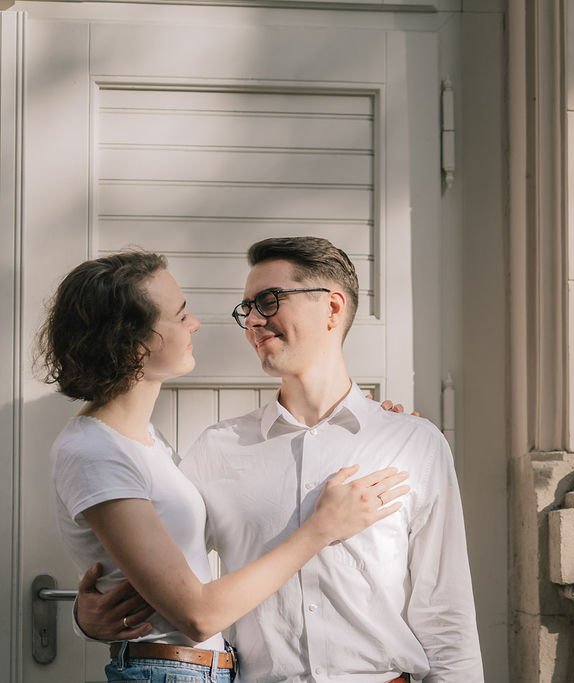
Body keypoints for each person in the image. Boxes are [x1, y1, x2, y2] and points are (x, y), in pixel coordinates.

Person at [81, 237, 484, 682]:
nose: (252, 320)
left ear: (332, 307)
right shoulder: (218, 448)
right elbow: (169, 582)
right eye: (247, 308)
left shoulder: (412, 443)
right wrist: (91, 617)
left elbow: (447, 614)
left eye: (268, 301)